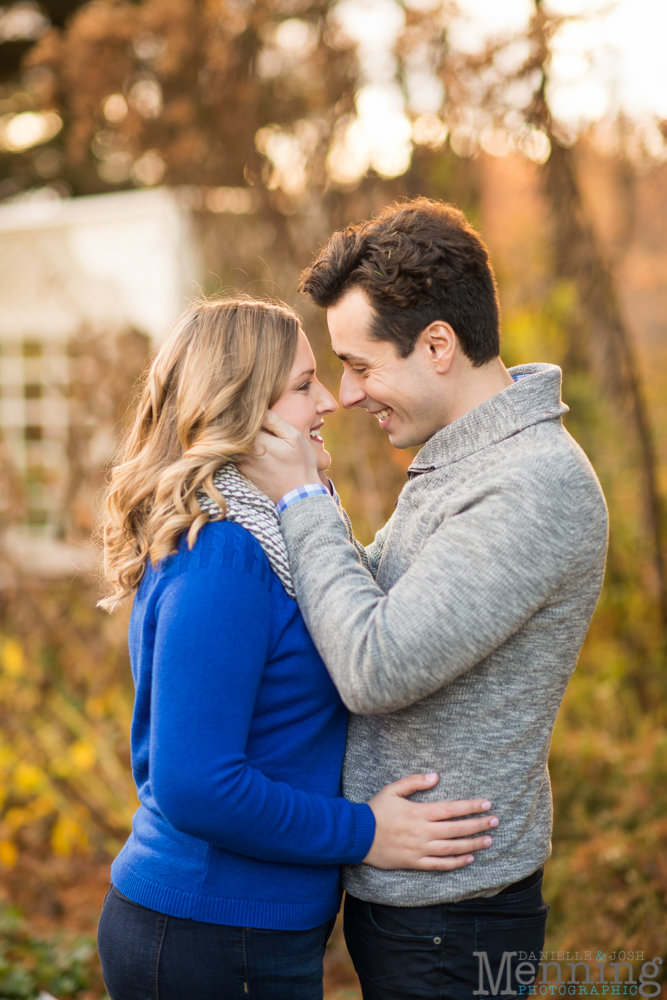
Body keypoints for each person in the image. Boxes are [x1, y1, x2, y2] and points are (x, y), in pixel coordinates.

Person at [239, 199, 610, 1000]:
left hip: (454, 916)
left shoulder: (530, 485)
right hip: (413, 900)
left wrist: (302, 501)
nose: (343, 394)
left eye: (361, 365)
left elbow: (373, 664)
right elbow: (365, 602)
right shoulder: (465, 460)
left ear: (437, 344)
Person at [95, 296, 498, 1000]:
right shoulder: (226, 554)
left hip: (246, 930)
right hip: (207, 933)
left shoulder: (273, 535)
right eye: (304, 385)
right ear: (246, 410)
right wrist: (364, 832)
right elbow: (196, 783)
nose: (329, 402)